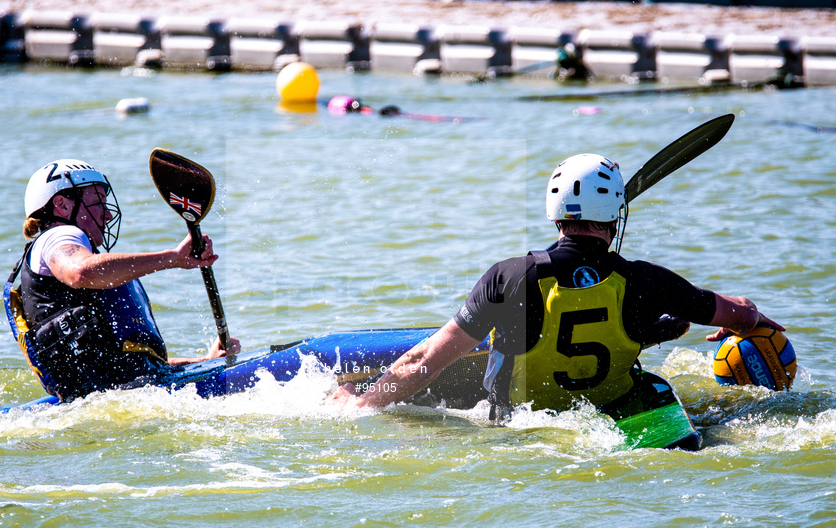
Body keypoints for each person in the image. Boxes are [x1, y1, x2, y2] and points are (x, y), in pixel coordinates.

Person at [332, 153, 782, 418]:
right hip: (614, 417)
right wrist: (750, 319)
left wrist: (362, 406)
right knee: (656, 388)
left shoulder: (509, 277)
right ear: (614, 217)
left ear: (554, 214)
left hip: (523, 429)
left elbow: (422, 364)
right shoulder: (646, 280)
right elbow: (739, 313)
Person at [5, 158, 240, 402]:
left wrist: (206, 362)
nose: (107, 215)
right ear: (62, 206)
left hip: (109, 396)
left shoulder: (88, 266)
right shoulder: (58, 236)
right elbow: (80, 271)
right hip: (116, 397)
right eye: (98, 203)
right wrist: (173, 258)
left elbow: (131, 365)